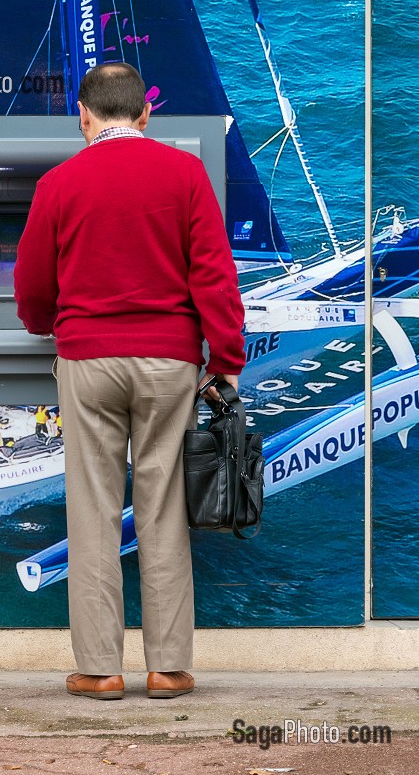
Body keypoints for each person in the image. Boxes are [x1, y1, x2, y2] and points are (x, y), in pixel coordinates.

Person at [14, 61, 245, 703]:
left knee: (92, 512)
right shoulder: (185, 173)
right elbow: (214, 277)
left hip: (87, 362)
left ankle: (100, 668)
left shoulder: (60, 183)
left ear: (82, 117)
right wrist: (225, 358)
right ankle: (168, 668)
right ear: (147, 114)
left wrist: (45, 325)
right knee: (162, 508)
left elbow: (32, 284)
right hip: (169, 361)